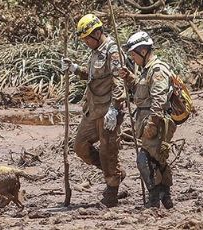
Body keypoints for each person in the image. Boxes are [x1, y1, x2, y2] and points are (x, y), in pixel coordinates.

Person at [63, 14, 126, 207]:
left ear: (98, 33)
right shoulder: (95, 50)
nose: (85, 42)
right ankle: (113, 171)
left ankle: (112, 189)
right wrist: (74, 69)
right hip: (92, 109)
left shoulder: (112, 51)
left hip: (108, 110)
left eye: (87, 38)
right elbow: (93, 78)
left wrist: (115, 109)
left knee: (108, 150)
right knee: (79, 146)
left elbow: (119, 82)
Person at [119, 31, 177, 208]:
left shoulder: (157, 69)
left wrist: (152, 123)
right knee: (158, 160)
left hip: (156, 121)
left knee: (144, 160)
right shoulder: (146, 70)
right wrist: (129, 78)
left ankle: (154, 199)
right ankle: (165, 197)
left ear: (143, 52)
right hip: (147, 119)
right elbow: (142, 90)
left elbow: (159, 99)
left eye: (133, 54)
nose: (132, 58)